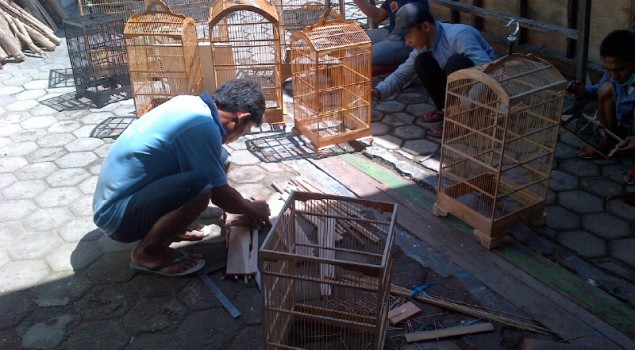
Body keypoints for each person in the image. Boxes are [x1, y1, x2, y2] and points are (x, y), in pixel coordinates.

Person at [92, 79, 272, 277]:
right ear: (241, 117)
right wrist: (252, 210)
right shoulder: (202, 126)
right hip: (117, 218)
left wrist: (241, 205)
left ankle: (169, 227)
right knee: (200, 186)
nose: (240, 135)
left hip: (122, 200)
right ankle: (146, 254)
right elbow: (220, 196)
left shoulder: (190, 103)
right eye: (246, 130)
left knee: (220, 158)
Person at [371, 3, 496, 138]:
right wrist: (378, 92)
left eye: (408, 35)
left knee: (456, 63)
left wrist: (464, 105)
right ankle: (445, 110)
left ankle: (460, 118)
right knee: (422, 61)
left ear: (425, 27)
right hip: (463, 89)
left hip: (486, 91)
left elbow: (488, 72)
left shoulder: (458, 36)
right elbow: (402, 74)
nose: (407, 42)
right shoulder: (424, 46)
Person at [566, 30, 635, 184]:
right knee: (606, 89)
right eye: (608, 70)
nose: (614, 76)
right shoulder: (613, 75)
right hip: (625, 127)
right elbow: (597, 90)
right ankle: (610, 145)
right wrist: (582, 92)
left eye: (620, 70)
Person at [353, 0, 429, 76]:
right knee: (350, 39)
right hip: (390, 32)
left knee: (360, 58)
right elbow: (378, 16)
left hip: (406, 41)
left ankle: (408, 68)